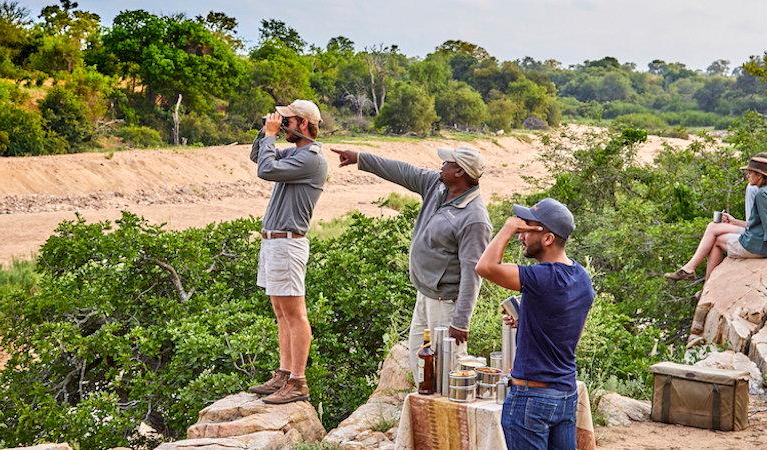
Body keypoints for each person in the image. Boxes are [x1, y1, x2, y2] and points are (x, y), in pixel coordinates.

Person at [331, 146, 491, 381]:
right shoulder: (437, 186)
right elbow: (402, 171)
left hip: (446, 303)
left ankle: (447, 414)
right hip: (425, 295)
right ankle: (424, 411)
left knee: (447, 370)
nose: (442, 165)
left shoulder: (474, 218)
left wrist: (460, 321)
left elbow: (472, 273)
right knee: (420, 361)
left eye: (447, 163)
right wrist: (361, 158)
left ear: (459, 172)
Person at [476, 198, 594, 450]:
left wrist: (507, 228)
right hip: (565, 394)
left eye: (527, 229)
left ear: (548, 238)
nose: (522, 236)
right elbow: (568, 330)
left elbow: (485, 266)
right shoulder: (582, 277)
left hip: (531, 398)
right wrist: (528, 323)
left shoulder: (540, 277)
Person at [246, 99, 328, 405]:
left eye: (288, 120)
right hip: (275, 242)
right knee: (281, 313)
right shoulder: (295, 153)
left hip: (288, 243)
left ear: (304, 124)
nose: (283, 125)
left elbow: (266, 170)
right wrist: (267, 130)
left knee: (295, 314)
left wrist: (271, 135)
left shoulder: (311, 159)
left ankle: (298, 381)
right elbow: (258, 156)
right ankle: (283, 374)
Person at [665, 156, 767, 283]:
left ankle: (703, 282)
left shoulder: (762, 195)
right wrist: (735, 221)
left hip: (758, 245)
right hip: (761, 238)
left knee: (717, 241)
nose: (747, 175)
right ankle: (690, 270)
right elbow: (761, 223)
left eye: (750, 172)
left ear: (759, 175)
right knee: (712, 226)